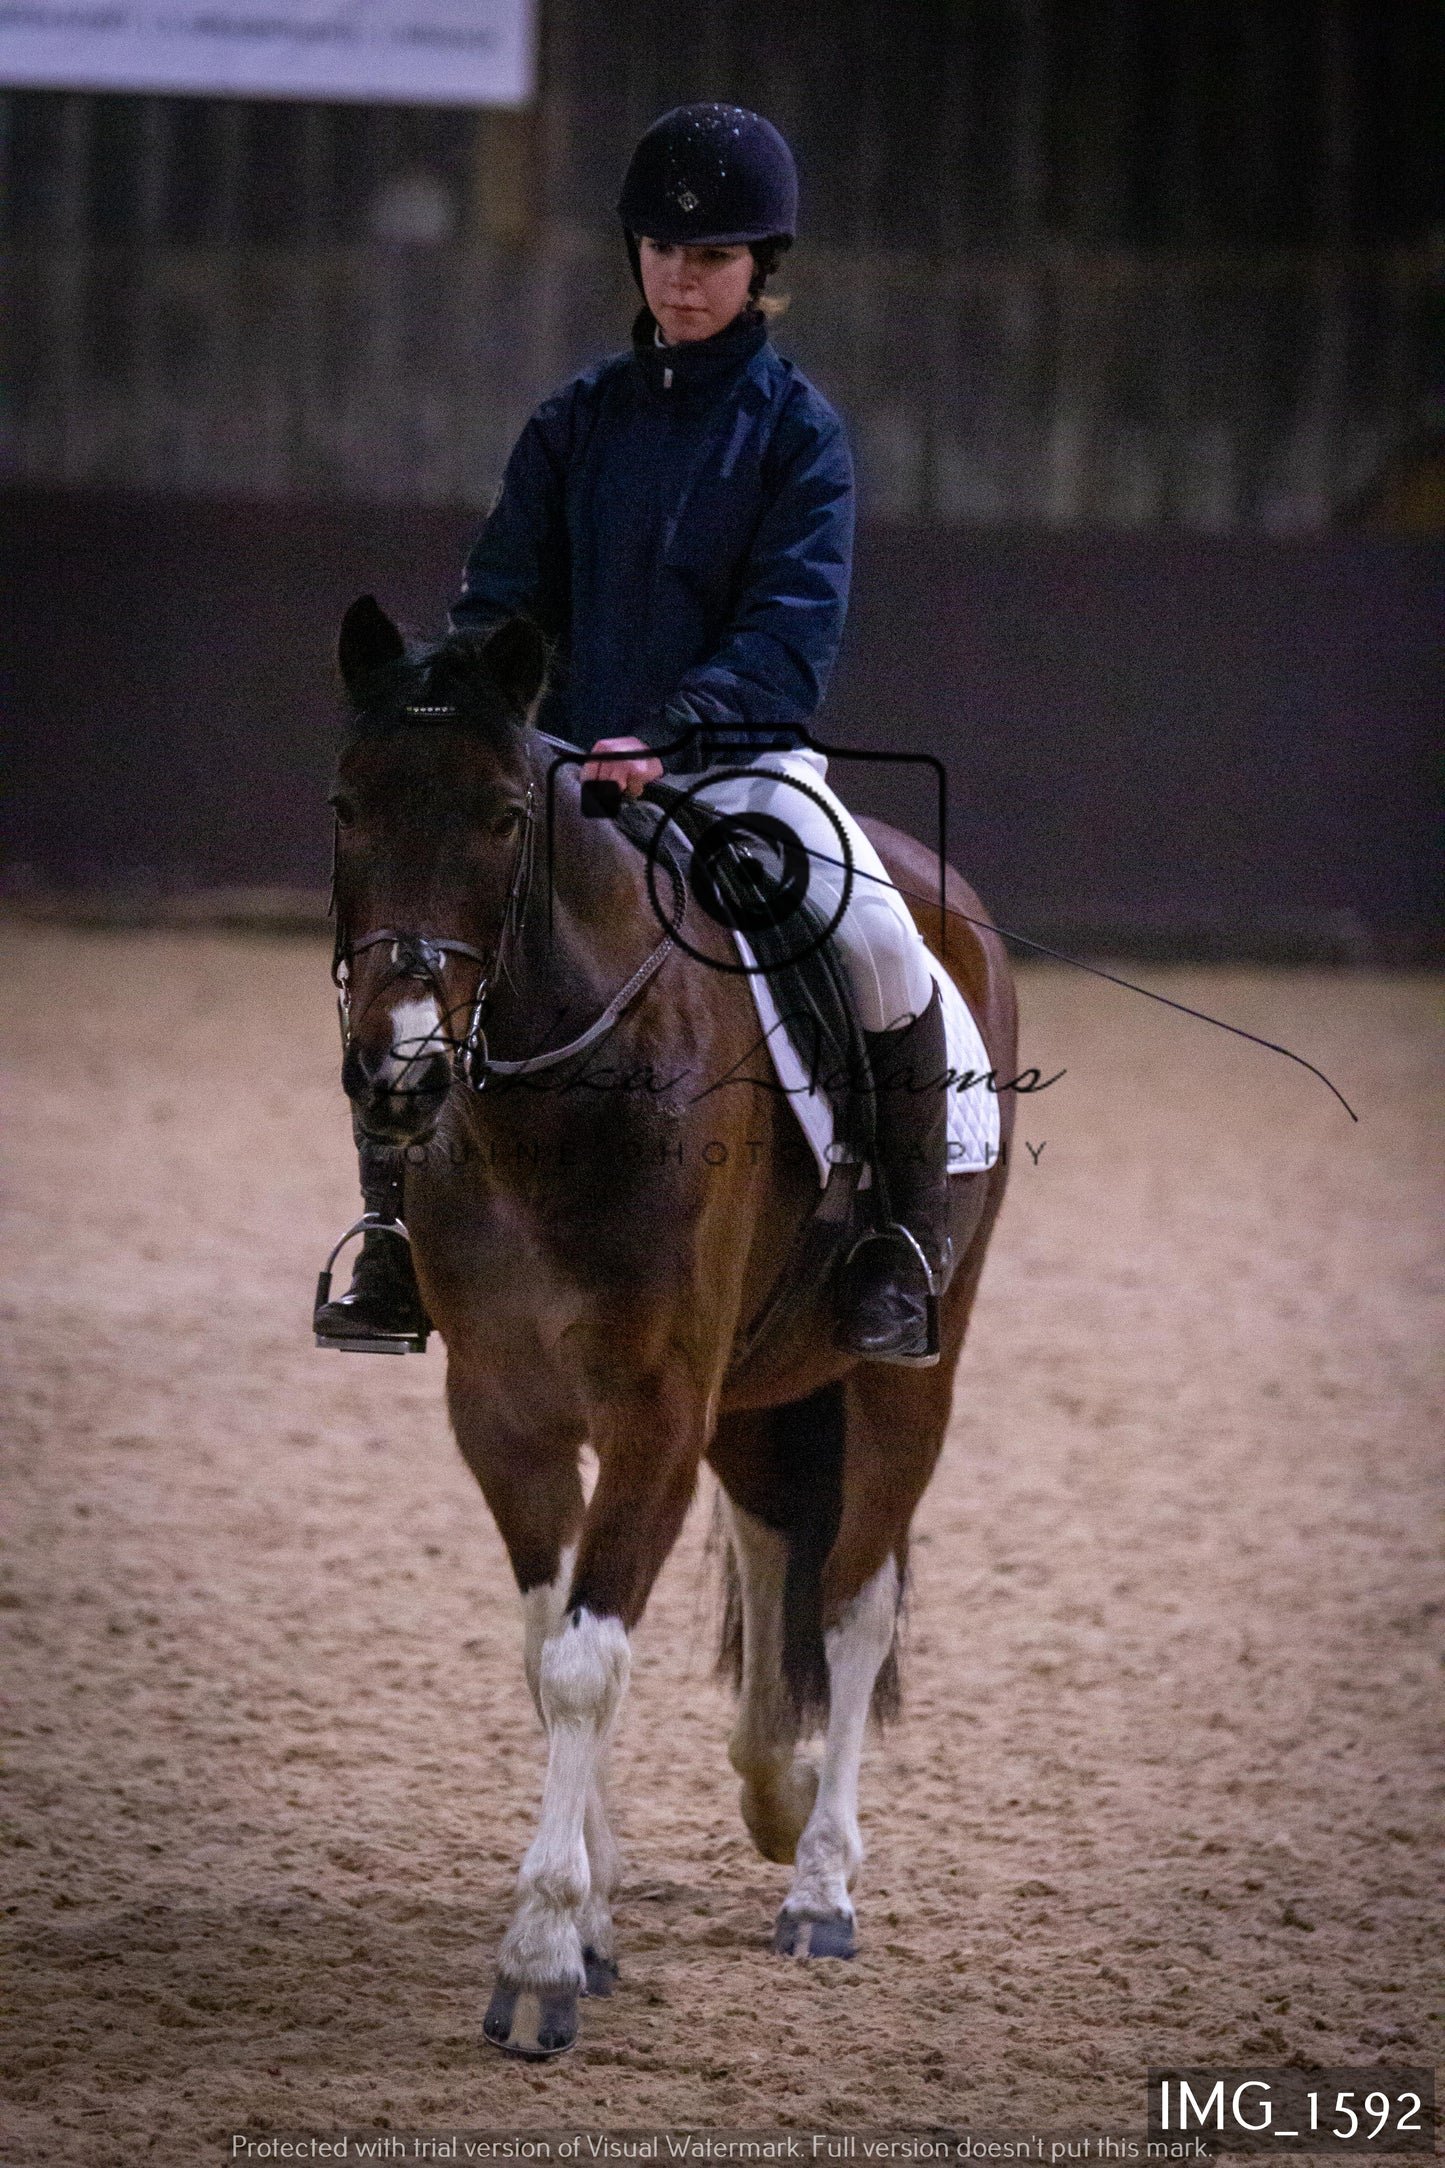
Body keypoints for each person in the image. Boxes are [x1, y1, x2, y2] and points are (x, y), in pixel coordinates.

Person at [314, 102, 951, 1366]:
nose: (680, 276)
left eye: (709, 257)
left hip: (739, 768)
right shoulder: (572, 423)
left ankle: (897, 1235)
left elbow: (787, 629)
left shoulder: (798, 438)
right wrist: (480, 703)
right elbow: (503, 597)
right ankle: (391, 1233)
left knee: (878, 936)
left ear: (757, 270)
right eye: (661, 250)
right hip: (561, 773)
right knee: (412, 935)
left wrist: (670, 732)